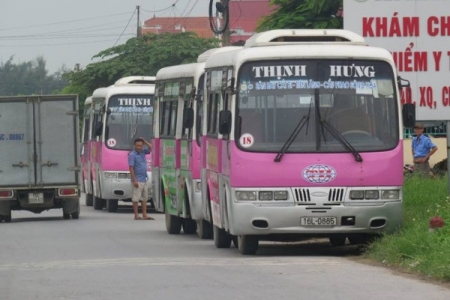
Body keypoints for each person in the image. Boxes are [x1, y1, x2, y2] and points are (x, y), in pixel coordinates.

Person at [128, 137, 154, 220]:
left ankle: (144, 214)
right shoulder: (132, 155)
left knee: (144, 198)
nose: (139, 147)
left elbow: (152, 147)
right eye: (137, 145)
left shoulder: (143, 152)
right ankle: (136, 215)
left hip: (144, 179)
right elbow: (131, 168)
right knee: (136, 199)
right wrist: (134, 180)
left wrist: (144, 141)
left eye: (141, 145)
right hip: (137, 180)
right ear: (134, 146)